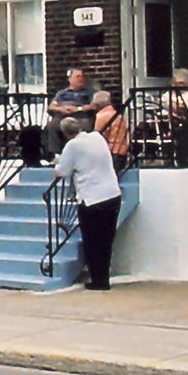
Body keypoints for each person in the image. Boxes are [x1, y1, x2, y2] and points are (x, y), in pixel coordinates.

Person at [53, 117, 122, 291]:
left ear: (65, 133)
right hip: (112, 194)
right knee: (106, 240)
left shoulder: (72, 146)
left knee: (92, 242)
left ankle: (97, 280)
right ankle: (103, 278)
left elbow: (63, 171)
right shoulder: (97, 137)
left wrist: (56, 164)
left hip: (92, 198)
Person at [43, 67, 94, 158]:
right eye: (77, 77)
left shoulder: (89, 92)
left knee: (86, 125)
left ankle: (83, 154)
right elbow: (51, 106)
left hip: (80, 117)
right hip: (63, 117)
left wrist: (78, 109)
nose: (81, 79)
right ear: (70, 79)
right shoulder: (62, 93)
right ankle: (56, 154)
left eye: (82, 76)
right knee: (52, 125)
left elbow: (94, 105)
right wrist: (62, 109)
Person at [92, 91, 130, 175]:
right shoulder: (116, 114)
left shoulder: (102, 116)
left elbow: (97, 136)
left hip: (112, 152)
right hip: (122, 150)